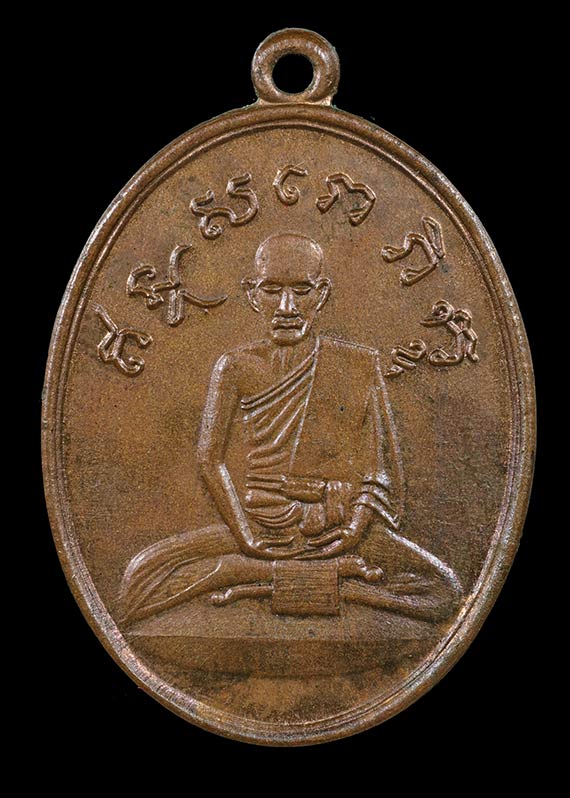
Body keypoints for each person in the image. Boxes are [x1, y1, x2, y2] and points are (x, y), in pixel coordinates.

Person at [120, 233, 461, 623]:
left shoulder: (357, 365)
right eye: (271, 290)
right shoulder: (236, 366)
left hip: (335, 526)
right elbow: (209, 459)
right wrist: (246, 536)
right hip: (261, 522)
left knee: (444, 592)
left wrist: (354, 529)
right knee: (140, 579)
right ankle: (307, 576)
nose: (286, 307)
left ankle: (269, 578)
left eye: (301, 290)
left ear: (322, 293)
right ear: (253, 294)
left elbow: (377, 470)